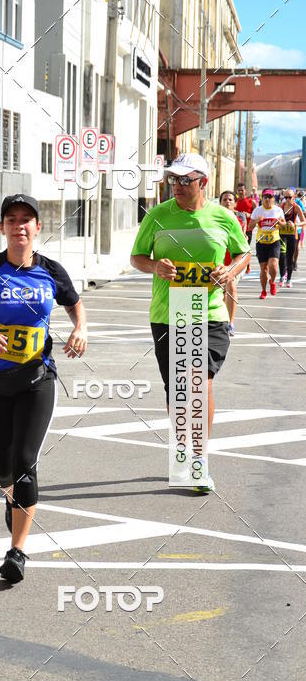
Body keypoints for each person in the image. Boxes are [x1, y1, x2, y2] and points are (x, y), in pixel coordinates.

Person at [0, 194, 88, 583]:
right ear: (3, 228)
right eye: (11, 219)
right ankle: (11, 497)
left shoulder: (51, 270)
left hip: (37, 379)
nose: (19, 226)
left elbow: (75, 303)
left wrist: (80, 328)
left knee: (26, 466)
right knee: (3, 470)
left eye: (26, 219)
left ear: (37, 227)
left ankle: (17, 552)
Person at [130, 153, 250, 493]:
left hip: (209, 312)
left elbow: (243, 253)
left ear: (203, 183)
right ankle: (181, 447)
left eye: (185, 180)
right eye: (174, 180)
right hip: (169, 313)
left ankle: (199, 459)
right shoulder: (157, 215)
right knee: (177, 389)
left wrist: (230, 269)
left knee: (200, 383)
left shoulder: (224, 217)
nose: (178, 186)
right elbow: (137, 256)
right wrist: (155, 267)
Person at [248, 188, 286, 299]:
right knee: (264, 268)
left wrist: (279, 222)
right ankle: (264, 290)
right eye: (265, 197)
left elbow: (283, 224)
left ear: (273, 199)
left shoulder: (278, 210)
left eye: (270, 197)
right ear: (262, 198)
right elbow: (250, 227)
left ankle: (272, 282)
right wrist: (256, 220)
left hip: (274, 241)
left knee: (273, 266)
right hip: (261, 242)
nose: (267, 199)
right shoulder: (258, 211)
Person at [219, 190, 248, 335]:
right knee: (222, 293)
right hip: (218, 261)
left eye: (230, 199)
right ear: (220, 203)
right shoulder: (214, 218)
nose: (227, 201)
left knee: (231, 285)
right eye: (224, 199)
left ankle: (230, 323)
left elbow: (243, 239)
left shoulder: (240, 217)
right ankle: (220, 320)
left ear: (234, 203)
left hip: (234, 261)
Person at [279, 188, 305, 287]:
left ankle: (289, 279)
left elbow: (304, 221)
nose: (288, 199)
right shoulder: (281, 207)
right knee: (282, 256)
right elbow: (276, 220)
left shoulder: (296, 207)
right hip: (281, 234)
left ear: (294, 197)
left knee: (290, 257)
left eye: (290, 197)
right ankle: (282, 276)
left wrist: (295, 224)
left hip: (292, 235)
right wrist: (281, 223)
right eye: (285, 197)